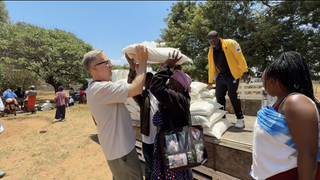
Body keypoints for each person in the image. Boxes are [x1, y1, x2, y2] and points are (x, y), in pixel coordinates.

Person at [251, 51, 320, 179]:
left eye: (263, 81)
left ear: (272, 81)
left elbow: (308, 154)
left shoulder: (295, 102)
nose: (262, 86)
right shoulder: (280, 102)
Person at [83, 44, 148, 180]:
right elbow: (136, 89)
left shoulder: (98, 88)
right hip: (121, 152)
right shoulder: (100, 89)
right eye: (107, 62)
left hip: (120, 150)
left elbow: (129, 87)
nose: (111, 65)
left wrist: (132, 68)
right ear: (95, 68)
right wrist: (143, 61)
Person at [150, 51, 193, 180]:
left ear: (181, 86)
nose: (169, 85)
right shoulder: (182, 97)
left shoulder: (177, 99)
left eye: (172, 82)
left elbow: (156, 87)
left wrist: (167, 67)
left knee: (172, 174)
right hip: (176, 146)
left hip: (172, 148)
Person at [206, 30, 251, 128]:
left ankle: (240, 119)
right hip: (220, 76)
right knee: (219, 96)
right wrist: (210, 82)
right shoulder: (211, 51)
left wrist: (245, 72)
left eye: (213, 38)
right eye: (210, 40)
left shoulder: (230, 43)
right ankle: (223, 119)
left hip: (232, 75)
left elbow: (240, 57)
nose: (212, 41)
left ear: (218, 37)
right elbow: (211, 67)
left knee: (232, 94)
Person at [126, 53, 159, 180]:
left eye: (151, 79)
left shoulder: (161, 94)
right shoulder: (142, 96)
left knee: (162, 166)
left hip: (161, 138)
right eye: (146, 79)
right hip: (148, 140)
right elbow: (131, 85)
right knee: (149, 168)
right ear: (143, 82)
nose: (149, 81)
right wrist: (132, 68)